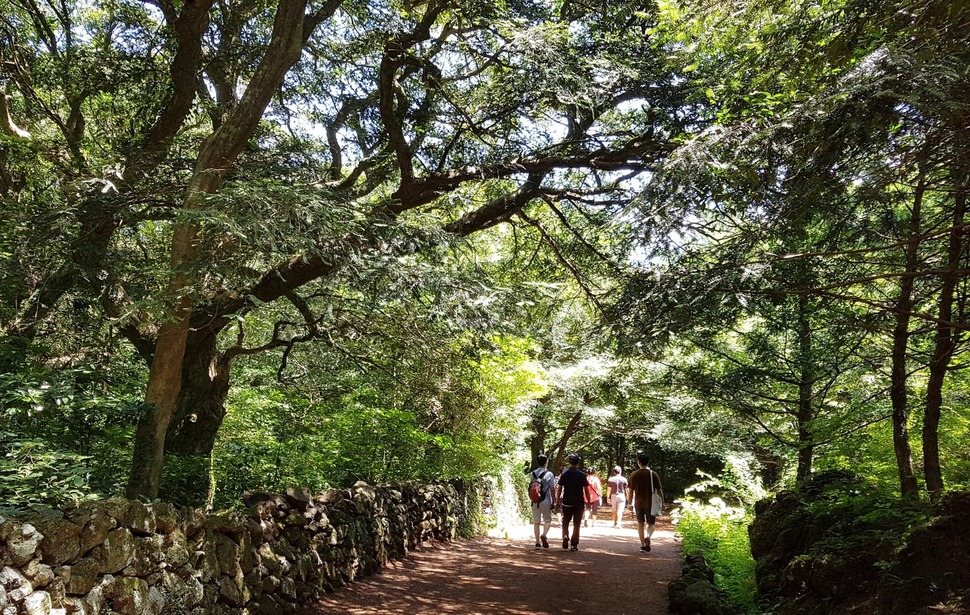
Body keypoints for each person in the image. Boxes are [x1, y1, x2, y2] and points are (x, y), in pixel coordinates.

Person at [628, 452, 665, 552]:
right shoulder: (653, 474)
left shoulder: (634, 474)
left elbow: (631, 490)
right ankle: (648, 537)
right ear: (648, 462)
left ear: (638, 462)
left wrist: (629, 503)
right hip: (651, 503)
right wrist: (663, 503)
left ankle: (643, 545)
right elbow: (659, 490)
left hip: (638, 502)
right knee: (651, 523)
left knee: (640, 523)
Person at [556, 452, 589, 551]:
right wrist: (589, 502)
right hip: (579, 502)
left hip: (567, 502)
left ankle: (565, 536)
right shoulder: (582, 475)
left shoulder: (564, 474)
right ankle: (574, 544)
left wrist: (557, 501)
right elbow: (586, 490)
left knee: (565, 520)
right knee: (577, 523)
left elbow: (559, 488)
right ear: (578, 463)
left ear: (569, 462)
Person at [530, 454, 555, 549]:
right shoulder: (549, 474)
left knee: (536, 522)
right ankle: (544, 535)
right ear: (546, 463)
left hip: (535, 500)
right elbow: (552, 489)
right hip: (546, 499)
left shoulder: (532, 473)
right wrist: (554, 501)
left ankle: (537, 543)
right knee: (547, 520)